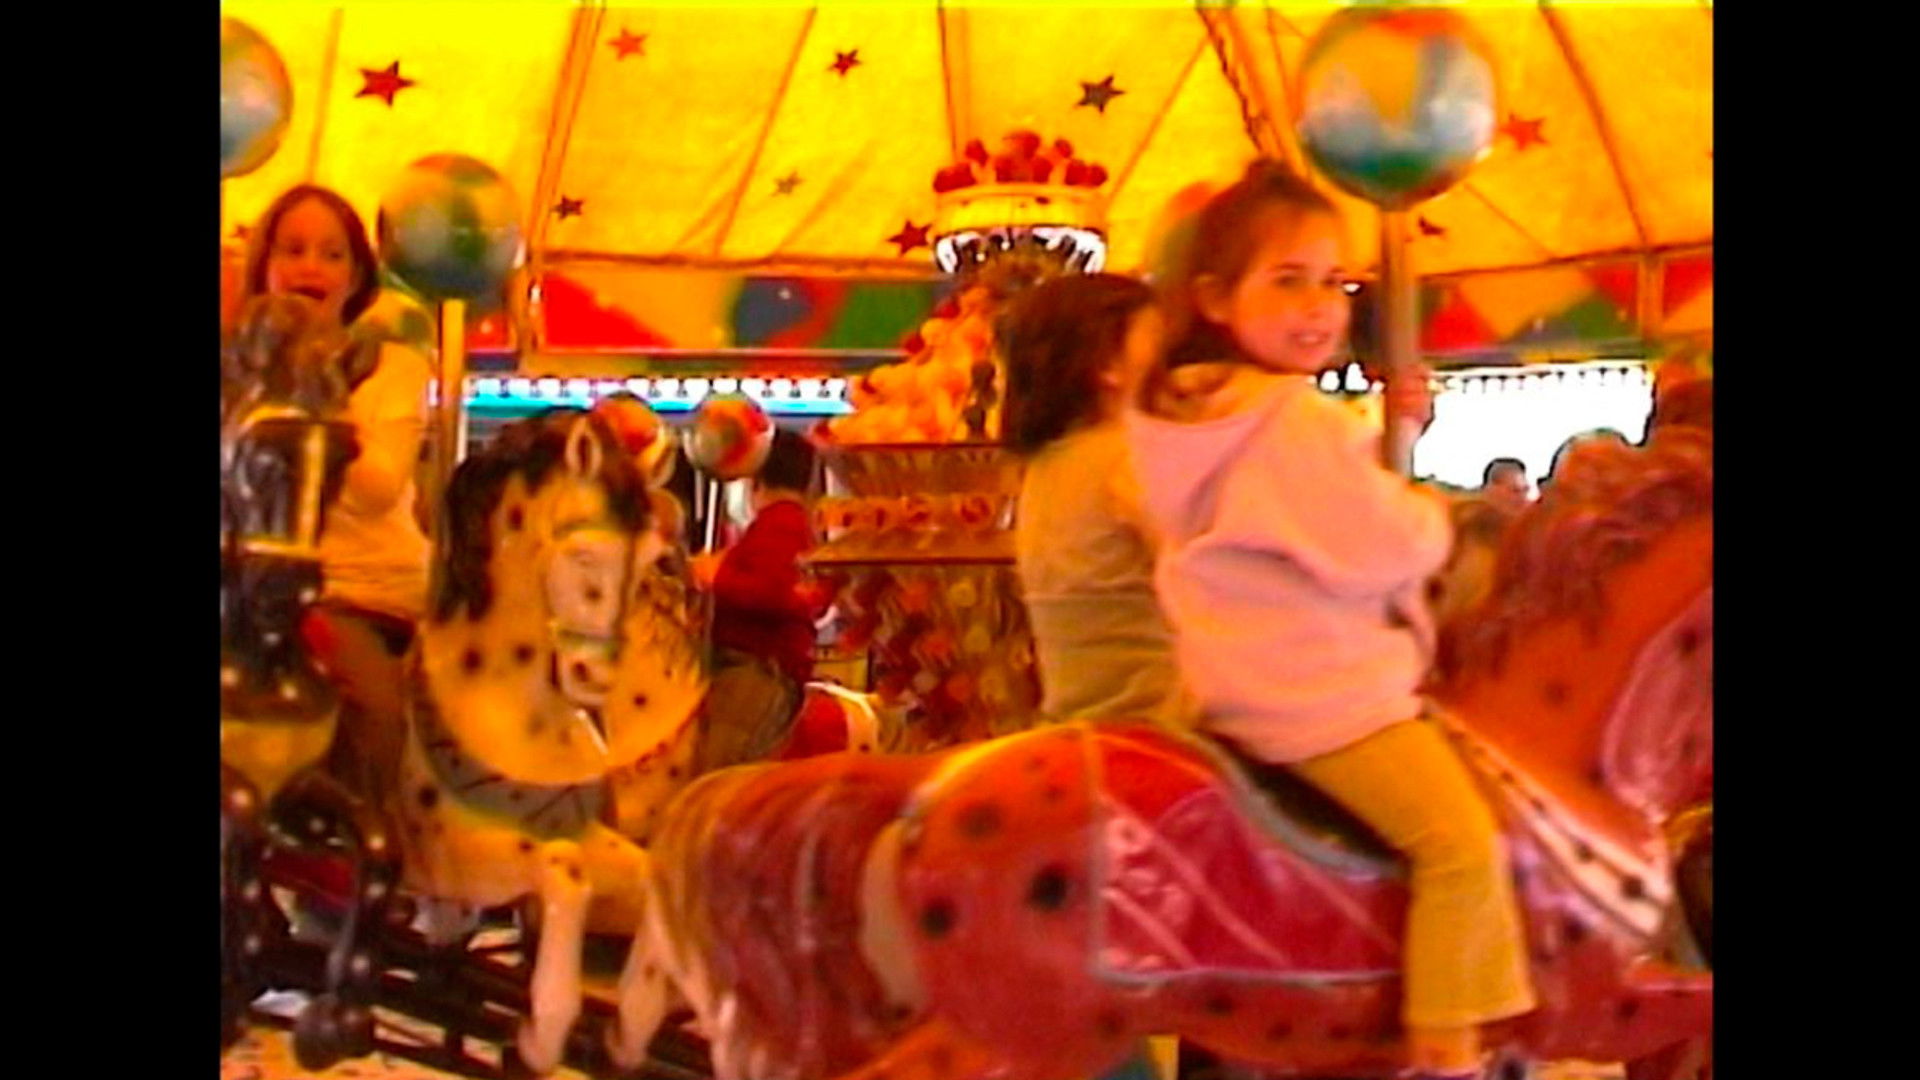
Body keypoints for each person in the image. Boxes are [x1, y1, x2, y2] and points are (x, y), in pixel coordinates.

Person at [1123, 160, 1534, 1079]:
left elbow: (1315, 524)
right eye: (1287, 281)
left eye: (1335, 283)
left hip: (1232, 690)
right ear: (1215, 298)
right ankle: (1447, 1049)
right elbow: (1382, 546)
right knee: (1466, 844)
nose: (1318, 307)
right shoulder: (1289, 419)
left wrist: (1392, 443)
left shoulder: (1196, 410)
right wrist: (1436, 518)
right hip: (1319, 697)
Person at [242, 184, 433, 801]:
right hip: (250, 593)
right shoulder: (239, 369)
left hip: (356, 591)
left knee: (371, 710)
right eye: (293, 249)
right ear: (265, 266)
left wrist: (317, 392)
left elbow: (377, 488)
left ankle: (368, 832)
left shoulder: (389, 370)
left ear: (355, 277)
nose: (311, 267)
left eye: (332, 254)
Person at [1000, 272, 1189, 729]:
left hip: (1072, 717)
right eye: (1158, 343)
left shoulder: (1043, 466)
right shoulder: (1132, 458)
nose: (1173, 363)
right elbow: (1208, 581)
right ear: (1108, 366)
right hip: (1161, 718)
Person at [701, 428, 835, 770]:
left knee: (719, 772)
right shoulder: (795, 525)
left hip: (754, 670)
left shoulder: (779, 523)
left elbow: (771, 591)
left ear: (754, 478)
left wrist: (715, 576)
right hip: (770, 669)